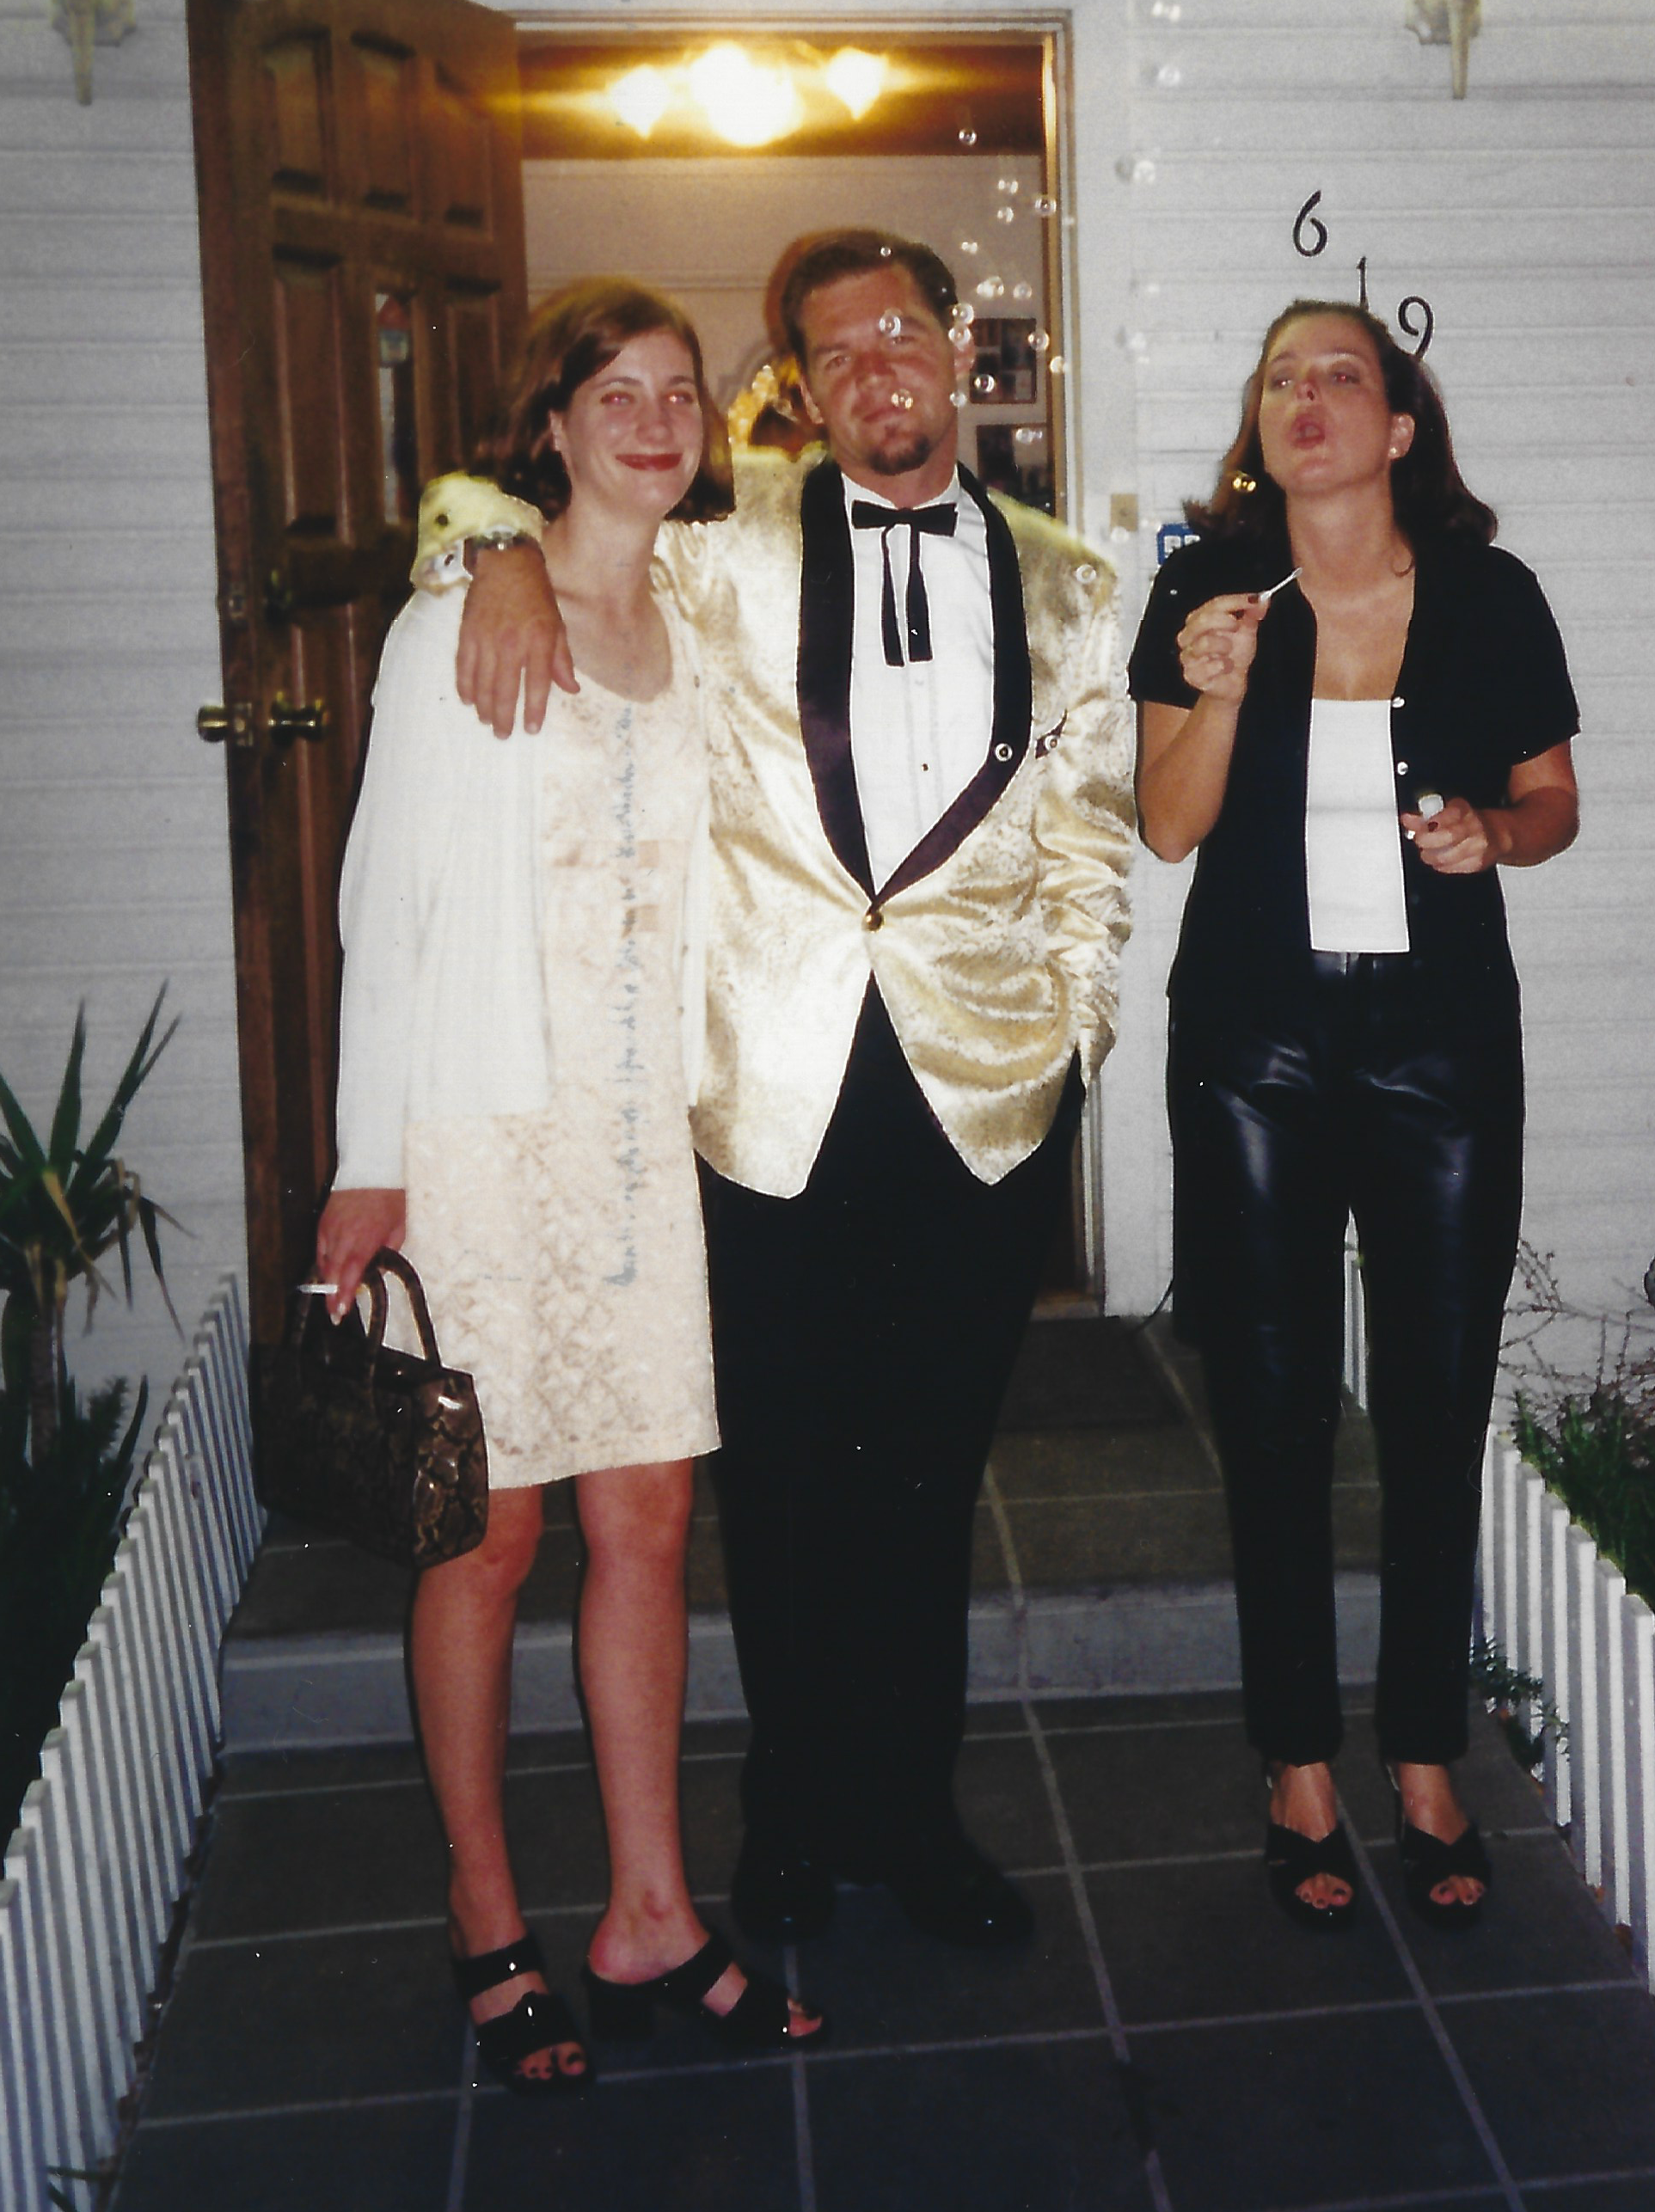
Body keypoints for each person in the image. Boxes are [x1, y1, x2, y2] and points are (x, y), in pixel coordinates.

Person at [418, 230, 1135, 1951]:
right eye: (836, 346)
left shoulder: (1070, 584)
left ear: (957, 349)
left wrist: (1067, 1045)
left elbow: (1090, 850)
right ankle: (793, 1820)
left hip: (978, 1098)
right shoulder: (719, 553)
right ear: (799, 388)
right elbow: (488, 494)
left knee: (926, 1483)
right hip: (764, 1093)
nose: (875, 363)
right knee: (791, 1486)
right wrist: (495, 550)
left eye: (902, 327)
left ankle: (915, 1814)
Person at [313, 279, 824, 2095]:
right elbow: (385, 906)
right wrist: (367, 1161)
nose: (652, 414)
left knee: (648, 1526)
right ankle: (481, 1908)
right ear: (549, 421)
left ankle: (648, 1911)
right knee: (488, 1531)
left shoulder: (702, 606)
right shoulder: (458, 613)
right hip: (474, 1130)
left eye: (678, 390)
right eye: (613, 388)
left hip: (633, 1143)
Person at [1129, 300, 1578, 1932]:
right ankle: (1296, 1762)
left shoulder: (1487, 595)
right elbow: (1167, 829)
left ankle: (1422, 1756)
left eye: (1343, 376)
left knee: (1436, 1400)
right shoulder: (1203, 589)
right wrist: (1227, 689)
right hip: (1255, 1039)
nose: (1307, 397)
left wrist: (1495, 841)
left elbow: (1554, 800)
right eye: (1279, 378)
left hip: (1440, 1047)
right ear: (1256, 430)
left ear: (1398, 428)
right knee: (1271, 1406)